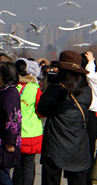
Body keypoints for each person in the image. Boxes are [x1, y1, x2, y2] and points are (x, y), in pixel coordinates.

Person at [37, 50, 91, 185]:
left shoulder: (56, 89)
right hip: (79, 146)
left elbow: (41, 109)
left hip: (55, 146)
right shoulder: (86, 91)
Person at [13, 59, 42, 185]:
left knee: (17, 165)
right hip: (31, 132)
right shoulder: (35, 88)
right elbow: (40, 110)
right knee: (29, 164)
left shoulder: (12, 87)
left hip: (14, 132)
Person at [82, 51, 97, 185]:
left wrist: (90, 61)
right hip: (80, 115)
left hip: (90, 115)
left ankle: (88, 179)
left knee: (89, 150)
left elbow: (89, 75)